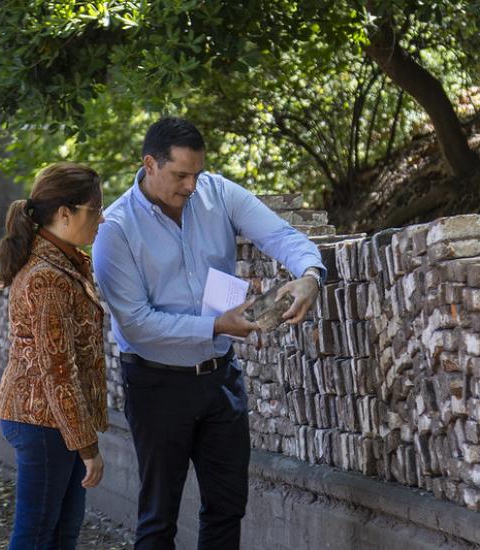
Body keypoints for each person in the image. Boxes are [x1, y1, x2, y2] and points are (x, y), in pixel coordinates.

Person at [92, 117, 326, 549]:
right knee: (158, 518)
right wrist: (217, 324)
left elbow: (281, 235)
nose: (190, 186)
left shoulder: (218, 193)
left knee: (227, 507)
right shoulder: (115, 228)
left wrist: (310, 274)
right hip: (156, 382)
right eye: (180, 175)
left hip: (221, 378)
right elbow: (137, 324)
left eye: (196, 174)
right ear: (149, 164)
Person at [0, 162, 108, 550]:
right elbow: (57, 369)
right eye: (95, 210)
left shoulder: (68, 263)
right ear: (65, 214)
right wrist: (87, 447)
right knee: (36, 535)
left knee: (61, 534)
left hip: (55, 421)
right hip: (43, 421)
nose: (102, 219)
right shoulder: (48, 276)